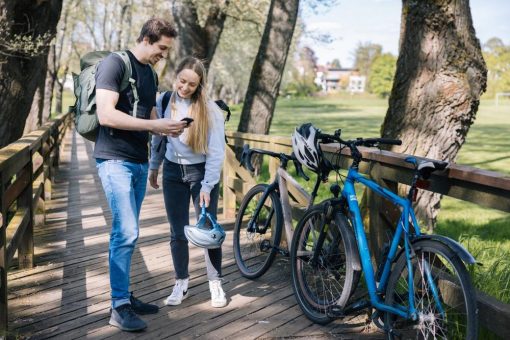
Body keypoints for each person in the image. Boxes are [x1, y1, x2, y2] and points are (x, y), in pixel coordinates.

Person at [94, 18, 187, 332]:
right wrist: (154, 126)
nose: (165, 54)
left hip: (138, 162)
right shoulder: (114, 64)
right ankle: (118, 307)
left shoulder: (150, 73)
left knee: (129, 235)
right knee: (126, 232)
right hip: (114, 161)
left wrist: (171, 126)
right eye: (162, 47)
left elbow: (150, 115)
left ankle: (126, 296)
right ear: (148, 38)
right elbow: (106, 114)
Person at [149, 57, 227, 309]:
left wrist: (207, 186)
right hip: (172, 172)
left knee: (208, 230)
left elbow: (216, 152)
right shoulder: (163, 101)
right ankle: (181, 281)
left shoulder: (210, 110)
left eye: (191, 84)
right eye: (182, 81)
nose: (185, 87)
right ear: (175, 77)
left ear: (199, 86)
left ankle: (215, 282)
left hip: (201, 172)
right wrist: (154, 166)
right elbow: (159, 138)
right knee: (177, 231)